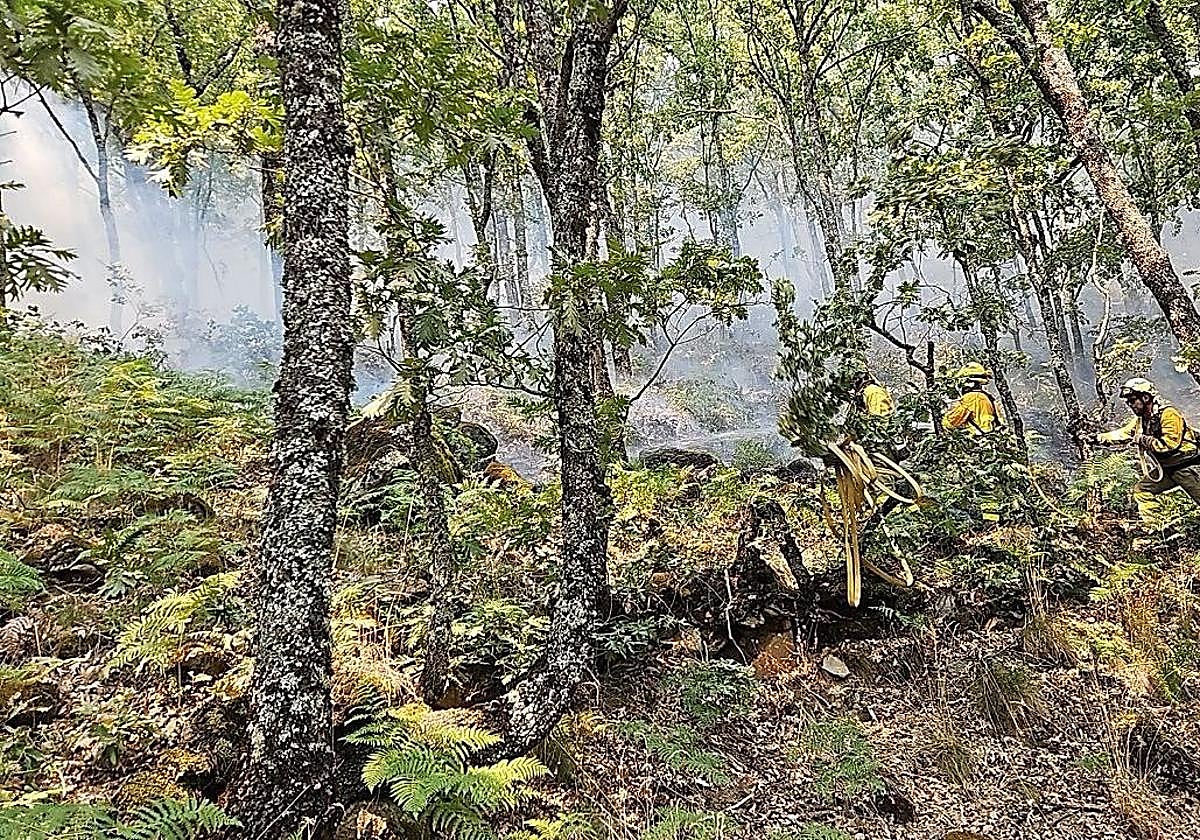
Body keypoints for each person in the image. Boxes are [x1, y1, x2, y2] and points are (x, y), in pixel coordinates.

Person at [1096, 377, 1200, 522]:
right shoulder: (1142, 420)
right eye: (1128, 402)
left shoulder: (1169, 414)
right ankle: (1156, 526)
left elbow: (1169, 445)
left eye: (1133, 401)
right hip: (1168, 469)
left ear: (1145, 398)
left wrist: (1143, 439)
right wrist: (1098, 438)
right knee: (1142, 490)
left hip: (1186, 466)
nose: (1130, 405)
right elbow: (1124, 433)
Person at [941, 362, 1000, 433]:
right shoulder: (986, 396)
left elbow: (951, 422)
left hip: (977, 437)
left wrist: (941, 418)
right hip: (989, 435)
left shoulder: (971, 397)